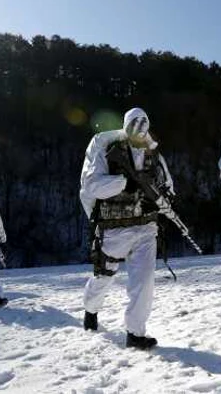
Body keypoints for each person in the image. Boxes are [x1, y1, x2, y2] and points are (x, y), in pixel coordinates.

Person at [79, 107, 174, 350]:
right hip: (114, 228)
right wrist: (125, 184)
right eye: (135, 123)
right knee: (103, 278)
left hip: (145, 228)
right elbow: (91, 186)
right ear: (126, 125)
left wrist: (161, 197)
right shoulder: (107, 149)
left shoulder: (154, 155)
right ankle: (90, 310)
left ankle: (135, 333)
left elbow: (168, 187)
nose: (140, 128)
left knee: (144, 283)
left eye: (144, 123)